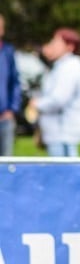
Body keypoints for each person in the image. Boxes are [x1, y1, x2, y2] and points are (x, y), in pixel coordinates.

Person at [27, 28, 80, 157]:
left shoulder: (70, 67)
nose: (52, 46)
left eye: (56, 43)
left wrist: (37, 104)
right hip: (57, 132)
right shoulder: (61, 65)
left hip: (63, 133)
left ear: (70, 47)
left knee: (66, 174)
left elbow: (58, 99)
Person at [0, 14, 22, 157]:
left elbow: (15, 82)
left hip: (4, 117)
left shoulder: (7, 52)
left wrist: (12, 109)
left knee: (6, 162)